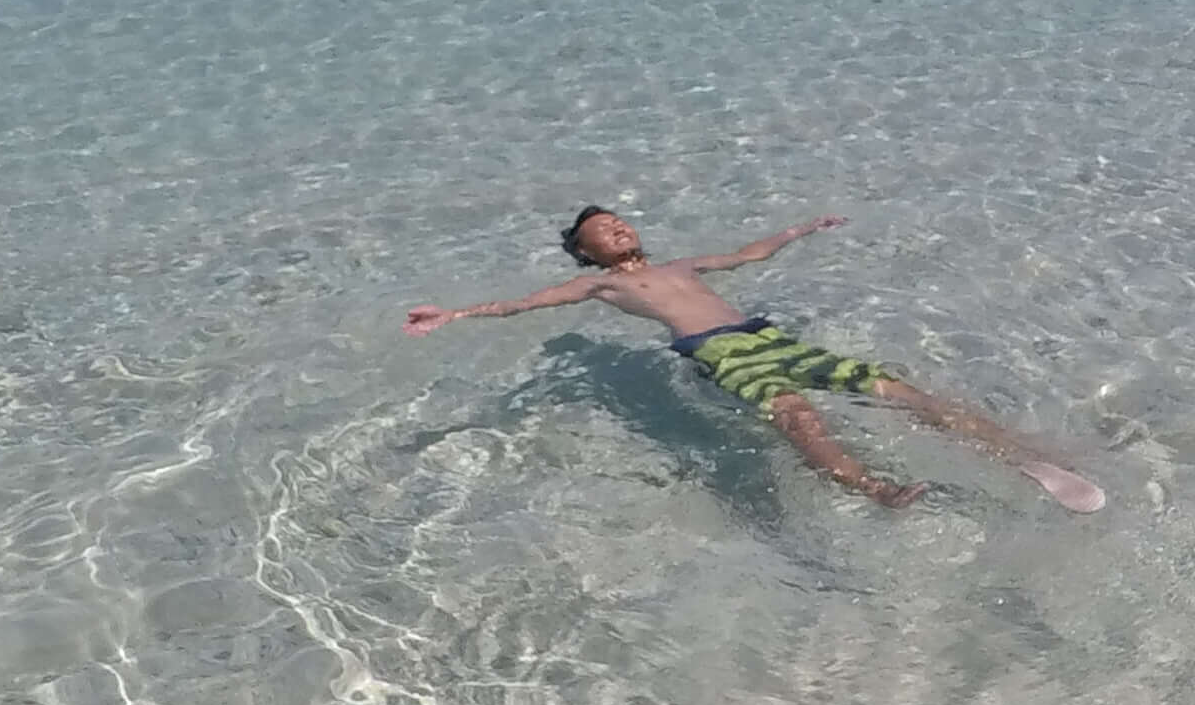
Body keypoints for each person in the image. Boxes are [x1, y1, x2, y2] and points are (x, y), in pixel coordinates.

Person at [405, 208, 1106, 511]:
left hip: (770, 337)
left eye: (619, 221)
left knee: (897, 389)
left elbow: (748, 255)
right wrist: (455, 314)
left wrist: (802, 228)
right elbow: (526, 304)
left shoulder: (682, 263)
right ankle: (875, 490)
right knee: (797, 416)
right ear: (586, 252)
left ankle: (1019, 452)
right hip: (716, 353)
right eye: (600, 231)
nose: (616, 229)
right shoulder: (602, 284)